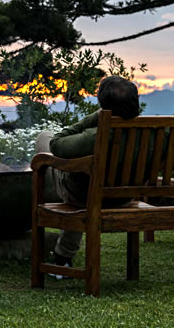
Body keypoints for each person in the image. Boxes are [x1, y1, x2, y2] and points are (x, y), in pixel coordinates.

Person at [34, 75, 140, 271]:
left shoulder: (95, 136)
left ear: (103, 104)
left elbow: (56, 144)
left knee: (45, 138)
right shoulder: (155, 131)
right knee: (85, 177)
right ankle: (62, 255)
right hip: (126, 196)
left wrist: (97, 117)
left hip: (82, 195)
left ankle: (62, 257)